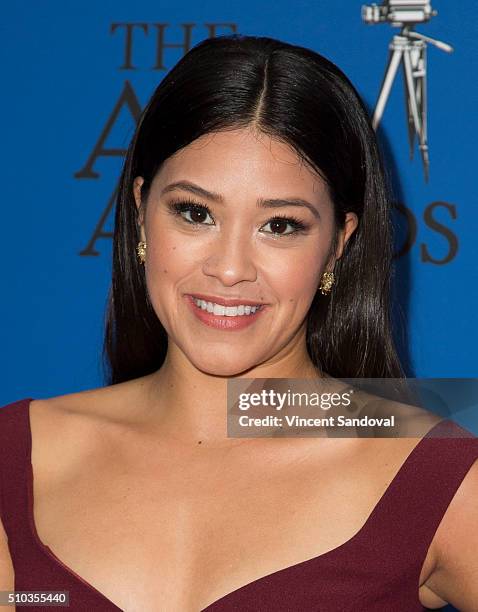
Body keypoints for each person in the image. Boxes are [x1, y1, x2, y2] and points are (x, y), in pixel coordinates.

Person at [1, 34, 477, 612]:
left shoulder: (437, 476)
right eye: (195, 213)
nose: (229, 269)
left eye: (280, 225)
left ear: (337, 247)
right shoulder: (18, 455)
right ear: (140, 213)